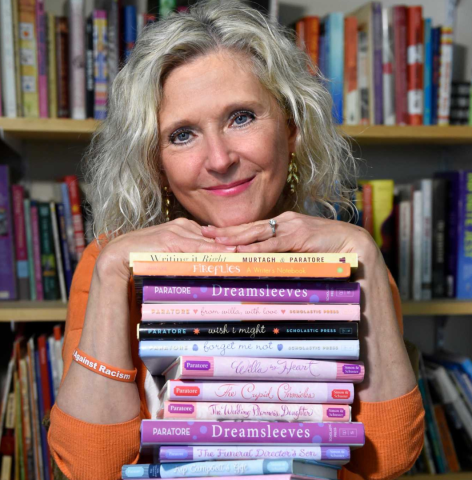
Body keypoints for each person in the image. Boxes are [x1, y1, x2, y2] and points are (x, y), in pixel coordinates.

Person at [48, 1, 425, 479]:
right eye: (182, 135)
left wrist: (367, 262)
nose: (220, 158)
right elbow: (90, 466)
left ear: (291, 128)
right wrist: (110, 272)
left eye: (241, 117)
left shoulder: (349, 257)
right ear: (155, 159)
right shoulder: (110, 265)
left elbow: (386, 459)